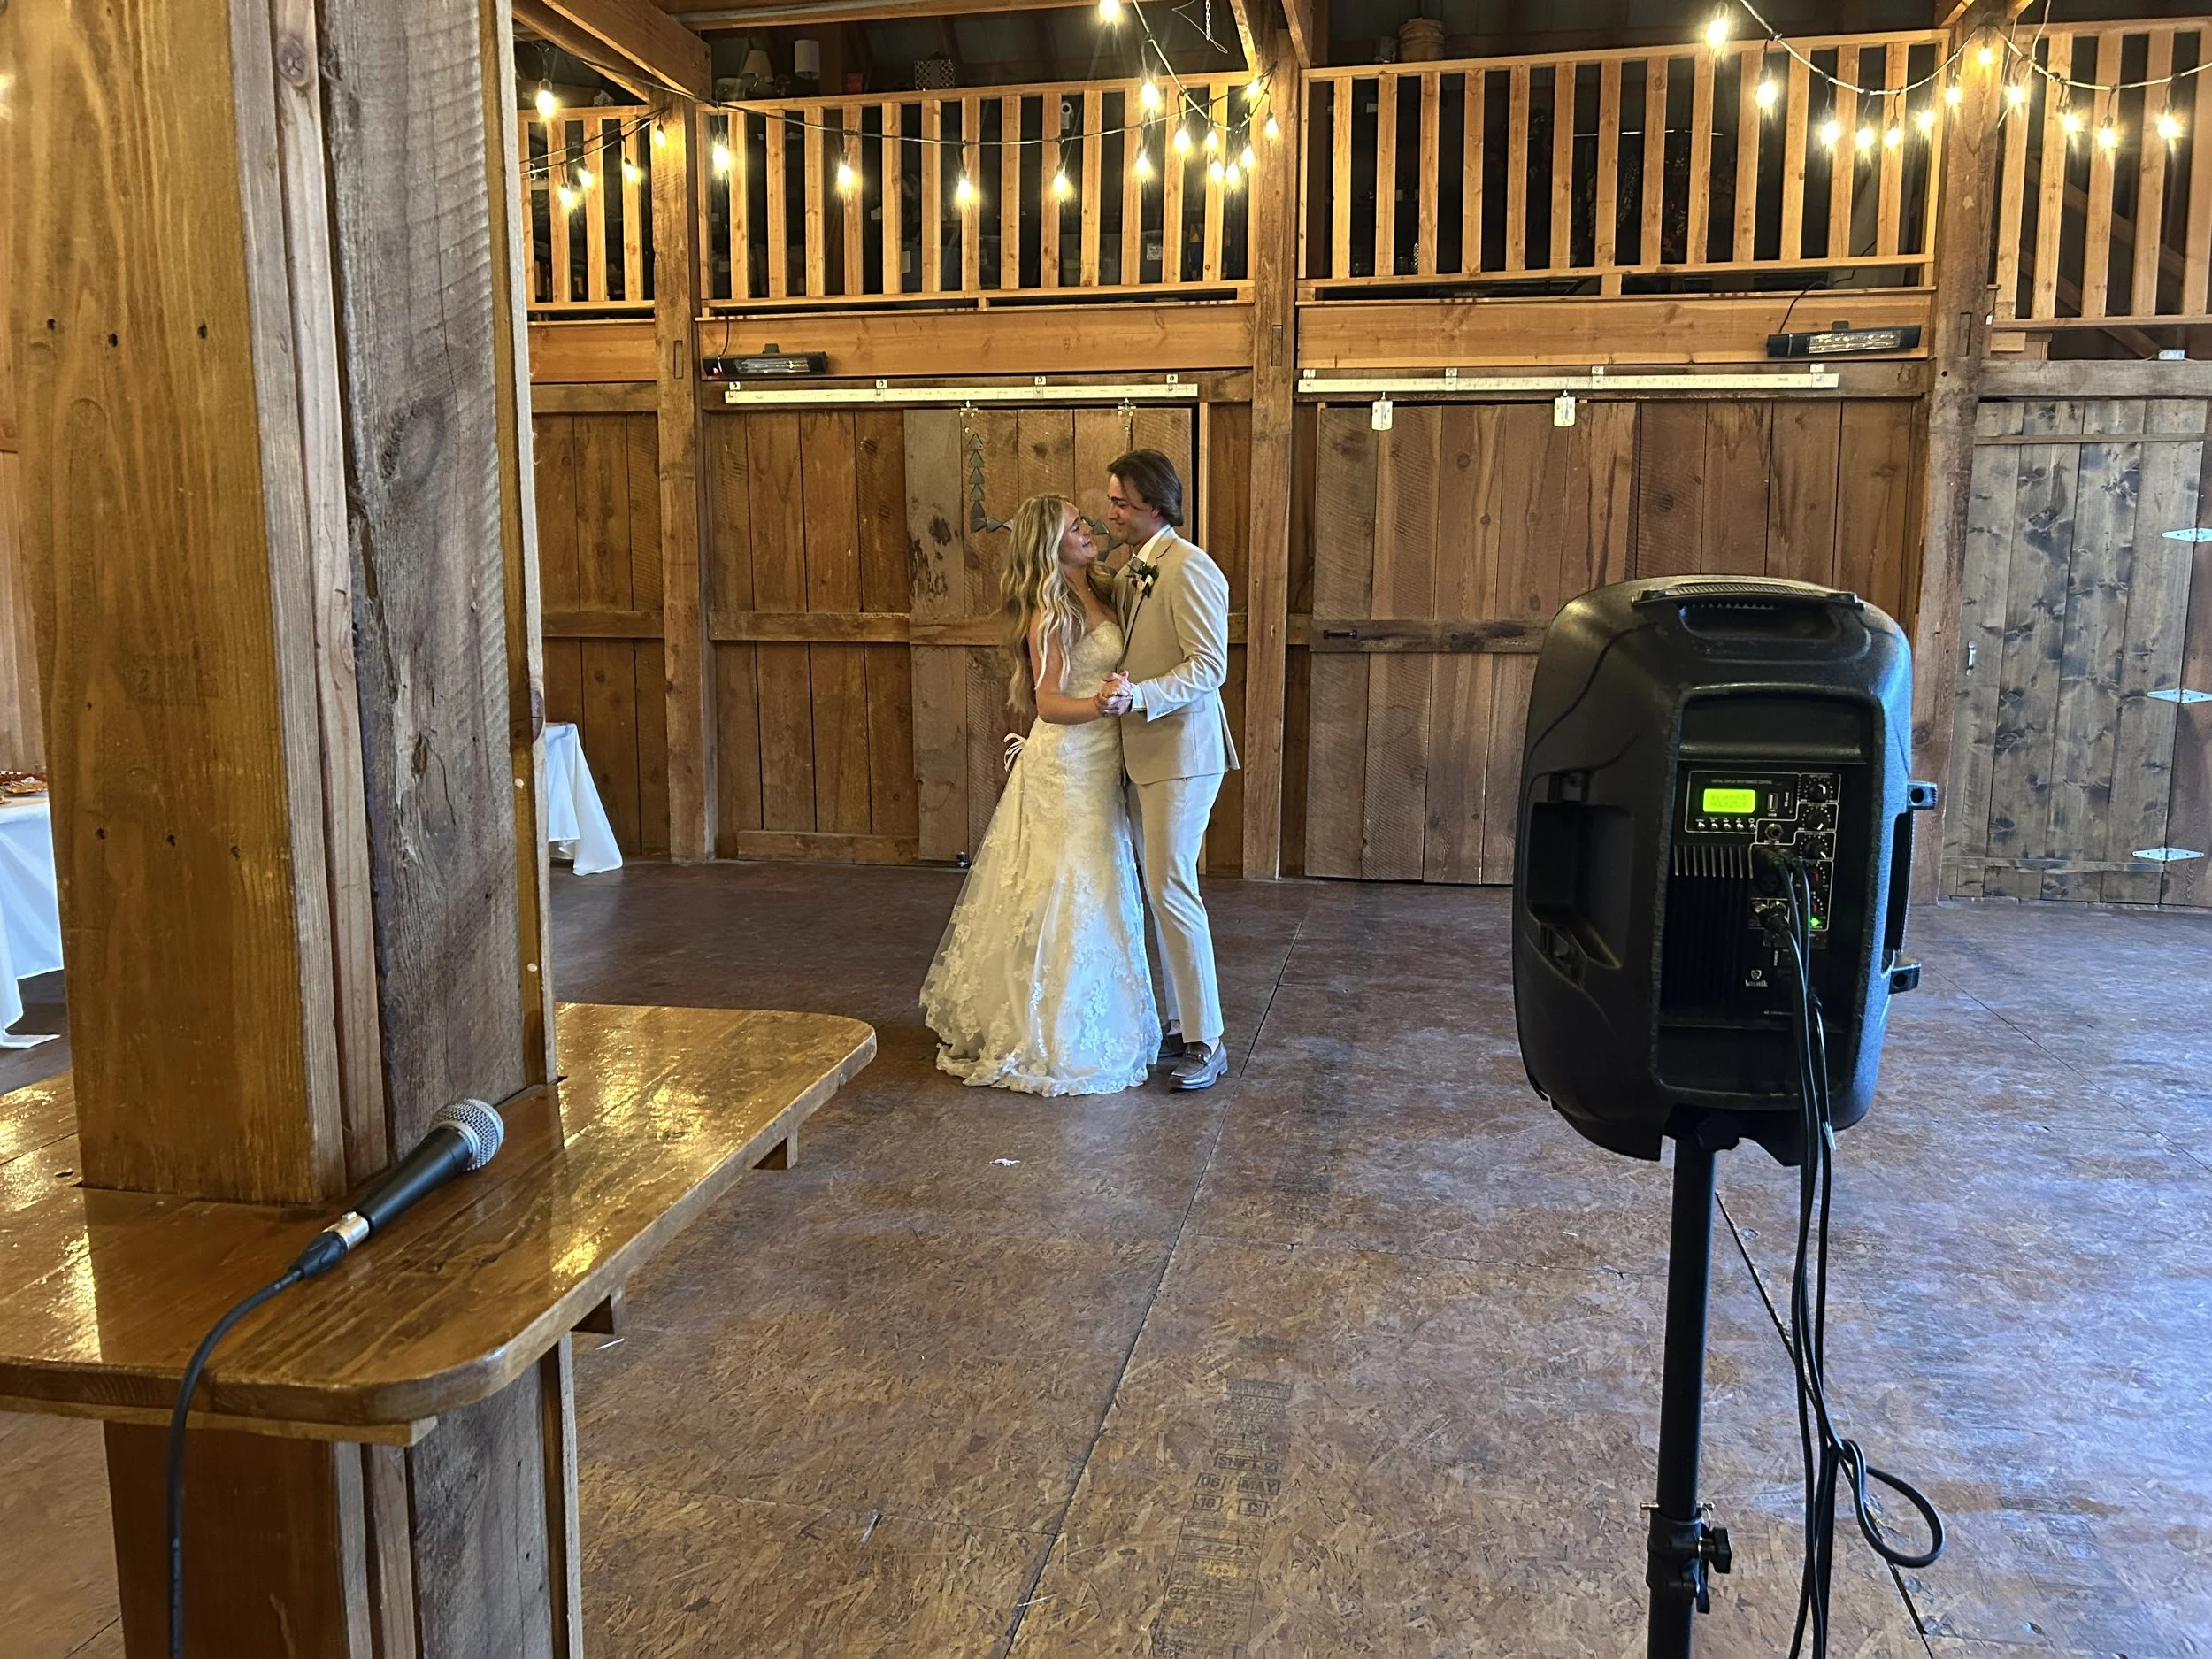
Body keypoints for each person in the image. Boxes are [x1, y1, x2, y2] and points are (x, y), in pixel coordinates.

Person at [919, 495, 1158, 1095]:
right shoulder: (1050, 612)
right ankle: (1049, 1028)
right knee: (1068, 885)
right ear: (1049, 545)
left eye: (1084, 521)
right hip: (1067, 762)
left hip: (1102, 759)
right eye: (1075, 526)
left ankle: (1100, 1012)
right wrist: (1103, 705)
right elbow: (1048, 702)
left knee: (1102, 880)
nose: (1088, 529)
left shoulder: (1103, 589)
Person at [1095, 449, 1239, 1092]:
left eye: (1120, 501)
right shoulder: (1131, 571)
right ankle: (1180, 1023)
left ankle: (1208, 1039)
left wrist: (1143, 696)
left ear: (1154, 504)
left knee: (1173, 889)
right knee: (1156, 893)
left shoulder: (1191, 568)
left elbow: (1210, 666)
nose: (1111, 512)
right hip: (1139, 754)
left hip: (1182, 754)